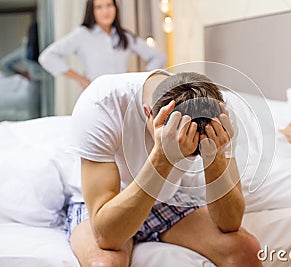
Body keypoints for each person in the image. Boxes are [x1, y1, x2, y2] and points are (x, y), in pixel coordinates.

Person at [67, 70, 262, 267]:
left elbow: (230, 222)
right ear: (148, 113)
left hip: (166, 199)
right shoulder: (103, 102)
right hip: (105, 204)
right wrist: (163, 156)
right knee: (104, 264)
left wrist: (214, 155)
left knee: (247, 250)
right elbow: (107, 237)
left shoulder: (218, 116)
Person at [38, 0, 166, 89]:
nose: (106, 11)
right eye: (99, 7)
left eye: (109, 5)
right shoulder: (82, 35)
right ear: (91, 11)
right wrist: (81, 79)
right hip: (96, 96)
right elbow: (47, 57)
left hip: (124, 97)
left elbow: (159, 57)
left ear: (115, 8)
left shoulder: (125, 36)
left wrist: (141, 81)